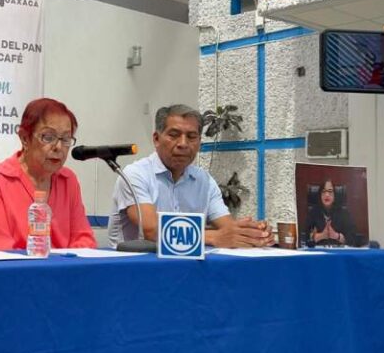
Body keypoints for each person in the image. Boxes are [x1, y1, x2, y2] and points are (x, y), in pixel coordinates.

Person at [108, 104, 274, 248]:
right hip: (135, 267)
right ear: (156, 139)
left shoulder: (205, 181)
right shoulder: (135, 174)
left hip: (188, 268)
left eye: (192, 137)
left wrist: (252, 234)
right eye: (174, 135)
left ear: (199, 142)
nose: (183, 144)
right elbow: (151, 231)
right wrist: (214, 237)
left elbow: (227, 227)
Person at [0, 98, 96, 250]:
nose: (58, 147)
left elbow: (84, 240)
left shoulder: (68, 180)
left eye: (65, 139)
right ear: (25, 138)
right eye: (48, 137)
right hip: (16, 266)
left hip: (64, 266)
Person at [305, 179, 357, 246]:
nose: (327, 195)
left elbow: (352, 239)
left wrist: (336, 235)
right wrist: (322, 235)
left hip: (338, 251)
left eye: (330, 191)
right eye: (323, 191)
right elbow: (306, 239)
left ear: (335, 195)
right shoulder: (313, 213)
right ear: (320, 195)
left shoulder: (344, 214)